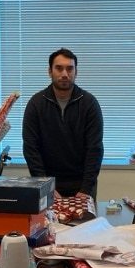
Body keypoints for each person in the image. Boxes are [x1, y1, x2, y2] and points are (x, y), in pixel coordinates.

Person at [22, 48, 104, 200]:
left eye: (69, 68)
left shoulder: (89, 104)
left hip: (83, 186)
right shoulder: (36, 104)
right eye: (59, 68)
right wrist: (46, 187)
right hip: (47, 183)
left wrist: (86, 189)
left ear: (76, 72)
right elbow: (31, 149)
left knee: (85, 224)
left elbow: (95, 149)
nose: (64, 74)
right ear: (50, 71)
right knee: (48, 224)